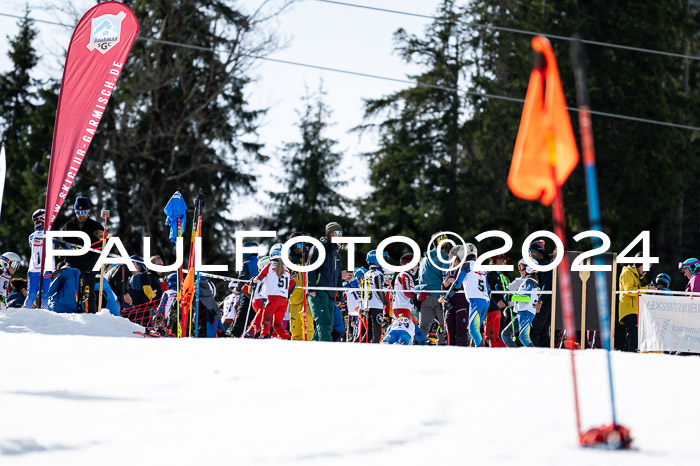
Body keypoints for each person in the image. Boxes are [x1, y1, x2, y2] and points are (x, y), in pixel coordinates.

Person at [439, 243, 490, 347]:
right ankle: (474, 351)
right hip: (486, 300)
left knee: (473, 330)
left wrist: (447, 296)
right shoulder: (482, 267)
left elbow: (457, 283)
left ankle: (483, 352)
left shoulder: (466, 265)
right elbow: (489, 290)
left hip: (475, 300)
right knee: (475, 331)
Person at [61, 196, 105, 314]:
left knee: (88, 293)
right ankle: (71, 316)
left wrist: (102, 237)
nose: (81, 215)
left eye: (84, 212)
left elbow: (104, 242)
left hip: (88, 265)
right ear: (75, 211)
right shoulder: (69, 226)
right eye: (79, 212)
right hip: (72, 264)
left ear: (89, 211)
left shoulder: (95, 226)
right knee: (71, 291)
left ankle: (91, 317)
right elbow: (62, 242)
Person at [307, 222, 344, 342]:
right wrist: (311, 288)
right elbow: (311, 268)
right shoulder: (319, 248)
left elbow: (338, 277)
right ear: (330, 233)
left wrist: (339, 297)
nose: (341, 235)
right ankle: (327, 350)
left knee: (324, 326)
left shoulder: (336, 254)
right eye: (338, 233)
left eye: (341, 233)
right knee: (323, 324)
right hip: (319, 291)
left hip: (331, 294)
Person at [255, 243, 294, 339]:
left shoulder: (269, 266)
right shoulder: (287, 270)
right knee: (278, 322)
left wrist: (252, 281)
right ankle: (285, 336)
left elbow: (259, 278)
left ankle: (265, 334)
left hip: (272, 298)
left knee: (266, 320)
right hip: (284, 300)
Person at [416, 234, 449, 345]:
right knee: (445, 327)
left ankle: (415, 346)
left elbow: (420, 278)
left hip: (424, 296)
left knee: (423, 327)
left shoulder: (424, 259)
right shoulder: (444, 257)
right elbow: (446, 278)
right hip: (440, 297)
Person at [502, 259, 540, 347]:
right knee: (505, 335)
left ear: (529, 268)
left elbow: (526, 298)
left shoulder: (530, 281)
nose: (520, 270)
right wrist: (510, 298)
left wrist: (511, 297)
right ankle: (515, 356)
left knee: (524, 337)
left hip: (526, 312)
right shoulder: (526, 281)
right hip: (521, 312)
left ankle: (535, 358)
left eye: (522, 267)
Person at [287, 231, 314, 340]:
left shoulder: (310, 257)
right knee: (295, 325)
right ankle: (296, 345)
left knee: (308, 321)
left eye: (302, 245)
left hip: (307, 293)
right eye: (297, 245)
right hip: (294, 296)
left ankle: (309, 344)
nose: (300, 248)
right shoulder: (288, 260)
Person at [618, 252, 648, 352]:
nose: (645, 269)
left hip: (634, 309)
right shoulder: (627, 273)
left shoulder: (635, 276)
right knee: (633, 334)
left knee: (633, 335)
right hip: (628, 309)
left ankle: (627, 353)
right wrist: (647, 288)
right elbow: (630, 291)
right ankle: (630, 355)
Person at [440, 246, 470, 347]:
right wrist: (445, 285)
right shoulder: (449, 269)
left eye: (451, 254)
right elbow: (443, 289)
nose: (449, 255)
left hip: (461, 303)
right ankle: (450, 351)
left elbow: (468, 285)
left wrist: (457, 284)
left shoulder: (464, 267)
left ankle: (461, 352)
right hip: (450, 304)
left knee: (461, 329)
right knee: (448, 330)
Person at [24, 209, 53, 308]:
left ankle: (46, 314)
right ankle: (24, 312)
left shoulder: (51, 234)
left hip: (46, 269)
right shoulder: (32, 235)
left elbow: (58, 243)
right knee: (32, 294)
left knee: (46, 294)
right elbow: (33, 243)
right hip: (34, 269)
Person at [229, 241, 259, 338]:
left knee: (242, 315)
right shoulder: (260, 263)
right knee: (255, 317)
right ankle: (256, 335)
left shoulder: (246, 263)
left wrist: (237, 289)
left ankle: (235, 333)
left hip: (248, 294)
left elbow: (242, 278)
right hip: (259, 295)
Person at [528, 240, 553, 347]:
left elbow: (547, 285)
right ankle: (546, 355)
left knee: (535, 330)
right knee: (542, 332)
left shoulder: (545, 265)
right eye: (529, 251)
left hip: (544, 301)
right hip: (543, 301)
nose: (530, 253)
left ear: (539, 251)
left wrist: (540, 301)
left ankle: (535, 354)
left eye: (532, 250)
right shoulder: (537, 265)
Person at [363, 249, 389, 343]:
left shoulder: (367, 273)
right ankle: (375, 348)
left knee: (369, 331)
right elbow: (379, 289)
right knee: (377, 330)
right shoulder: (378, 273)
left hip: (368, 305)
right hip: (376, 305)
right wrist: (385, 302)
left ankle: (360, 345)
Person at [485, 254, 510, 348]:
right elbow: (487, 291)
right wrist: (495, 302)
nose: (505, 263)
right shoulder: (491, 274)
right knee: (491, 335)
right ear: (498, 261)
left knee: (497, 335)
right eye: (504, 261)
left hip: (498, 310)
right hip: (492, 308)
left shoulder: (499, 274)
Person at [392, 254, 419, 325]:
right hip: (402, 307)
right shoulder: (404, 275)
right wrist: (416, 298)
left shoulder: (407, 276)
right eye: (415, 264)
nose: (417, 267)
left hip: (405, 307)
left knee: (415, 323)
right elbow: (407, 293)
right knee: (406, 331)